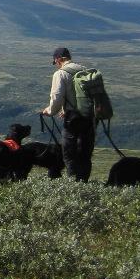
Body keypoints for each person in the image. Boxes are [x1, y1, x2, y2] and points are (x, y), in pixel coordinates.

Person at [42, 46, 95, 181]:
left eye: (56, 62)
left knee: (69, 154)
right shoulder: (85, 70)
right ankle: (84, 182)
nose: (56, 65)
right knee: (85, 154)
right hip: (89, 118)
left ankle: (73, 185)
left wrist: (50, 111)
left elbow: (57, 97)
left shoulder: (60, 74)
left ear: (59, 59)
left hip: (73, 120)